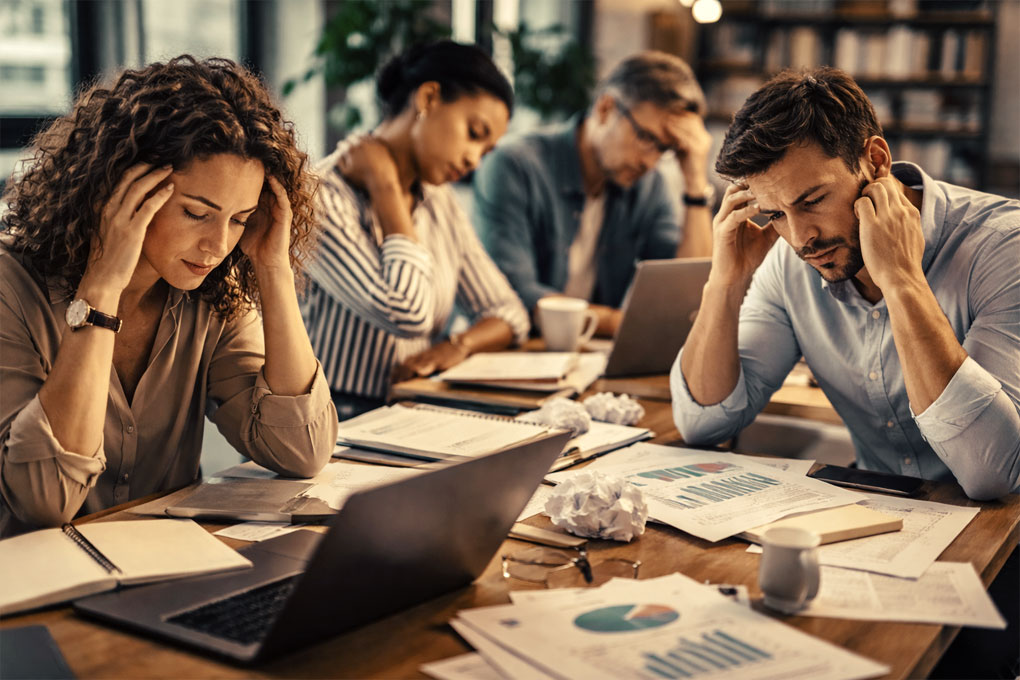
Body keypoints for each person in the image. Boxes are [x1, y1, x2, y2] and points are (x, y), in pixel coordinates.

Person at [0, 56, 338, 537]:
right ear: (120, 190)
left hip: (168, 563)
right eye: (197, 213)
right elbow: (45, 499)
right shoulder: (10, 287)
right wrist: (101, 288)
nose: (218, 246)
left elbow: (301, 451)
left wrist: (273, 269)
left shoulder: (212, 293)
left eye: (239, 219)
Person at [671, 67, 1020, 501]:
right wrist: (726, 281)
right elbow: (703, 423)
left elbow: (992, 473)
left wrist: (902, 280)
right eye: (775, 214)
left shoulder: (1005, 247)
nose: (801, 238)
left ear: (876, 160)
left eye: (813, 200)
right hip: (878, 513)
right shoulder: (787, 262)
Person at [301, 41, 530, 419]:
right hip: (326, 417)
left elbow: (509, 312)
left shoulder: (439, 201)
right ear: (428, 98)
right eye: (474, 133)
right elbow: (406, 313)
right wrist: (385, 188)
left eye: (486, 151)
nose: (474, 160)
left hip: (411, 408)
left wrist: (458, 346)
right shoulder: (318, 195)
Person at [473, 51, 714, 337]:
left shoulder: (649, 185)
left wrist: (695, 184)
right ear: (605, 109)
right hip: (509, 351)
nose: (650, 162)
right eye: (647, 138)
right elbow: (514, 292)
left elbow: (686, 292)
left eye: (665, 149)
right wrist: (623, 324)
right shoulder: (514, 166)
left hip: (589, 354)